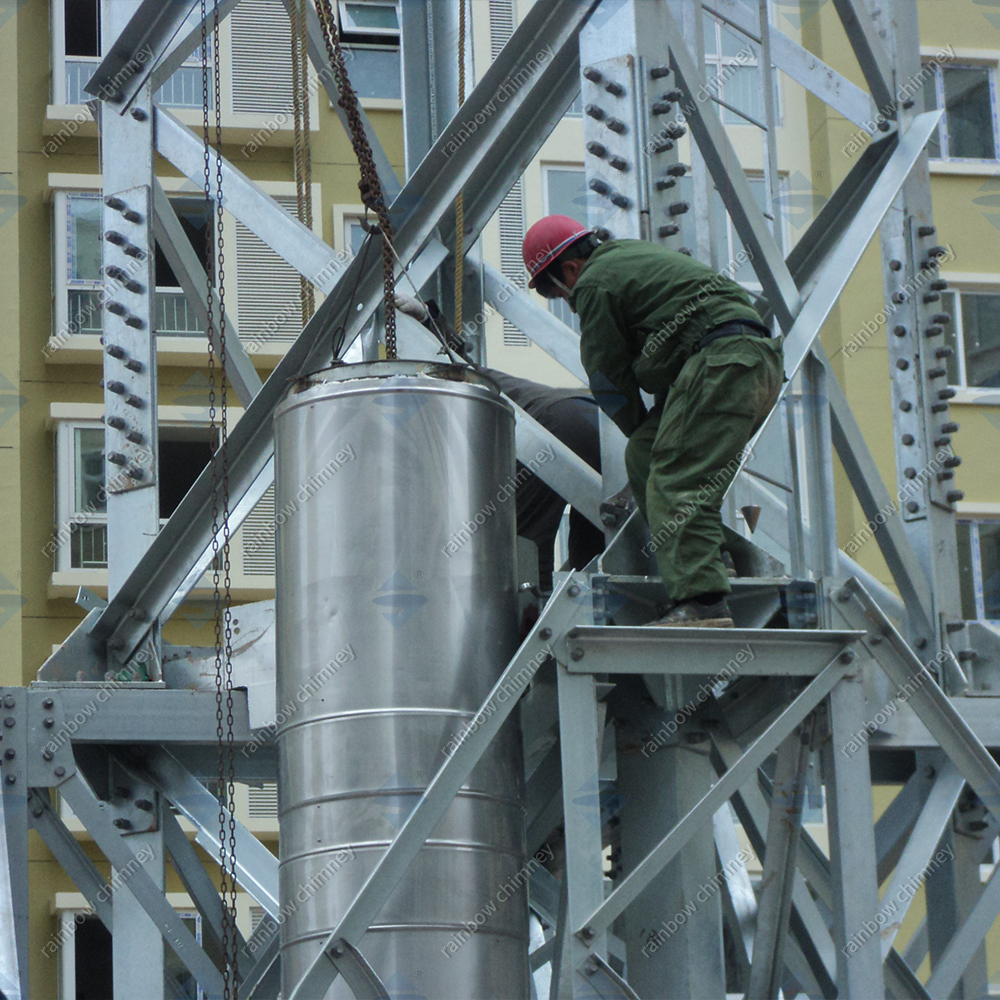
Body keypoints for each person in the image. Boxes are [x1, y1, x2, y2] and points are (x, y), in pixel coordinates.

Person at [521, 216, 784, 627]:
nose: (564, 300)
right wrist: (646, 432)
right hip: (745, 365)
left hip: (723, 363)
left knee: (674, 480)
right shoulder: (630, 258)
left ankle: (704, 603)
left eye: (555, 291)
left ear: (570, 269)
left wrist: (632, 419)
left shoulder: (594, 283)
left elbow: (607, 374)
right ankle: (720, 557)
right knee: (646, 455)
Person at [394, 292, 606, 592]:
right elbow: (455, 358)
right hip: (597, 419)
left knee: (519, 541)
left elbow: (450, 361)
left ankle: (530, 617)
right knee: (597, 545)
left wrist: (429, 320)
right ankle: (592, 610)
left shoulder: (444, 394)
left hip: (553, 424)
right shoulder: (465, 390)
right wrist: (429, 319)